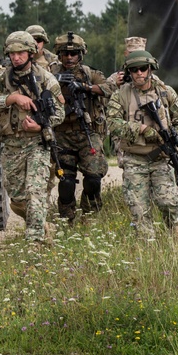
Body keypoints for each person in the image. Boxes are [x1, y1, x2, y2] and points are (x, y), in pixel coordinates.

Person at [0, 31, 64, 244]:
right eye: (12, 53)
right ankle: (43, 226)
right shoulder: (1, 79)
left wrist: (40, 125)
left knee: (35, 192)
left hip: (38, 143)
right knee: (18, 199)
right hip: (11, 144)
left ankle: (34, 243)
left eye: (21, 53)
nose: (16, 57)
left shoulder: (46, 78)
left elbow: (60, 112)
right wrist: (12, 98)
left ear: (30, 53)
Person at [106, 50, 178, 241]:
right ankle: (147, 246)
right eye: (134, 70)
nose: (139, 73)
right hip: (134, 158)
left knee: (168, 201)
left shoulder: (166, 92)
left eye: (143, 69)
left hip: (161, 158)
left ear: (150, 69)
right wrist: (141, 129)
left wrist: (177, 143)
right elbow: (112, 123)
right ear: (129, 72)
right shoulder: (121, 95)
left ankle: (175, 233)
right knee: (138, 208)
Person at [49, 33, 112, 222]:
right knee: (66, 182)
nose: (69, 58)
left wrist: (84, 87)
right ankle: (67, 219)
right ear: (59, 55)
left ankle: (89, 213)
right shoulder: (50, 74)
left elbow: (109, 89)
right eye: (65, 54)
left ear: (81, 55)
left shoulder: (90, 73)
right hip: (61, 133)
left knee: (93, 178)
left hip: (88, 132)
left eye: (74, 54)